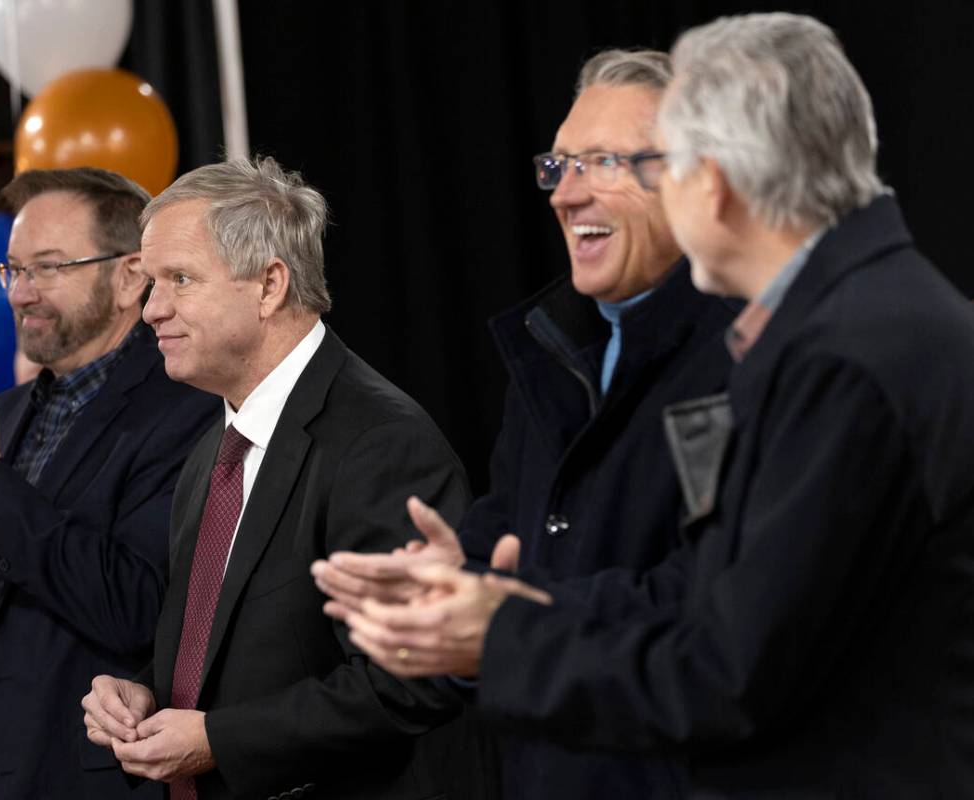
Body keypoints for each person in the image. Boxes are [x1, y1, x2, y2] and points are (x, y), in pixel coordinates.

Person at [340, 12, 974, 797]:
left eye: (645, 164)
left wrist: (499, 637)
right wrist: (495, 600)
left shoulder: (846, 353)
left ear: (712, 179)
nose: (569, 196)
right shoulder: (862, 318)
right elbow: (711, 594)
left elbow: (730, 668)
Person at [312, 49, 735, 798]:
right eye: (558, 165)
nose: (564, 196)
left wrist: (502, 621)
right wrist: (442, 590)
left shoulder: (757, 354)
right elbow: (507, 538)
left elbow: (723, 609)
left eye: (600, 162)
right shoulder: (550, 353)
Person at [80, 157, 485, 800]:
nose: (151, 309)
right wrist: (145, 690)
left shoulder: (381, 443)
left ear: (269, 286)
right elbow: (235, 652)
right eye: (151, 283)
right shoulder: (214, 446)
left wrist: (218, 740)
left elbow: (410, 681)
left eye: (179, 279)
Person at [0, 167, 222, 799]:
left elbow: (138, 611)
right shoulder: (2, 418)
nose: (19, 294)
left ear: (129, 277)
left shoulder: (187, 411)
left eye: (49, 267)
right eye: (13, 269)